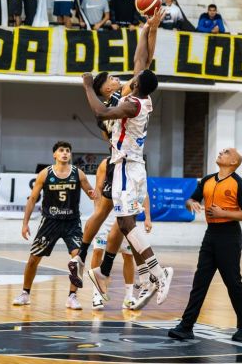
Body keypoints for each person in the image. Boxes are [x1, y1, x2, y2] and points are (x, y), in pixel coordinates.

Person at [66, 9, 162, 292]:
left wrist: (147, 30)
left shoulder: (128, 94)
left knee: (120, 220)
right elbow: (139, 70)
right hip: (118, 162)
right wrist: (148, 32)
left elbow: (142, 62)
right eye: (109, 78)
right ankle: (83, 257)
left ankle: (96, 266)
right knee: (107, 212)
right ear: (105, 88)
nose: (115, 78)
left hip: (126, 159)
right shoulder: (116, 102)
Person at [81, 61, 174, 306]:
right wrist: (146, 30)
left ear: (135, 84)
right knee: (123, 224)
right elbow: (141, 60)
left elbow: (100, 113)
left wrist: (88, 86)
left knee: (126, 223)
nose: (129, 78)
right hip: (131, 166)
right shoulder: (143, 99)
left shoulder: (132, 104)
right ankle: (117, 274)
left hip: (127, 166)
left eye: (134, 78)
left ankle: (158, 273)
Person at [169, 147, 242, 342]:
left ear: (233, 162)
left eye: (226, 152)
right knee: (200, 281)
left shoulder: (238, 184)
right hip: (211, 235)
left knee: (233, 282)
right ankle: (186, 326)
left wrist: (224, 213)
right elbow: (191, 199)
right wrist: (191, 203)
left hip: (229, 236)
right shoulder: (207, 179)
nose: (221, 152)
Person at [14, 142, 95, 310]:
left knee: (77, 259)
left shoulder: (78, 173)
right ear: (55, 155)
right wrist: (25, 223)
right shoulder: (45, 174)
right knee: (33, 260)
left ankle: (72, 297)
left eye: (67, 151)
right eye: (61, 150)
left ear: (70, 155)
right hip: (50, 221)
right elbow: (32, 199)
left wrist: (98, 200)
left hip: (72, 223)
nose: (65, 153)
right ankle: (25, 293)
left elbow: (93, 194)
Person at [89, 157, 151, 310]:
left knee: (128, 255)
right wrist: (98, 213)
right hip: (108, 212)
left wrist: (148, 218)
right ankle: (97, 293)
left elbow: (144, 193)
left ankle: (129, 296)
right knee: (98, 251)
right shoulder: (106, 163)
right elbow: (98, 189)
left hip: (126, 214)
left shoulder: (136, 164)